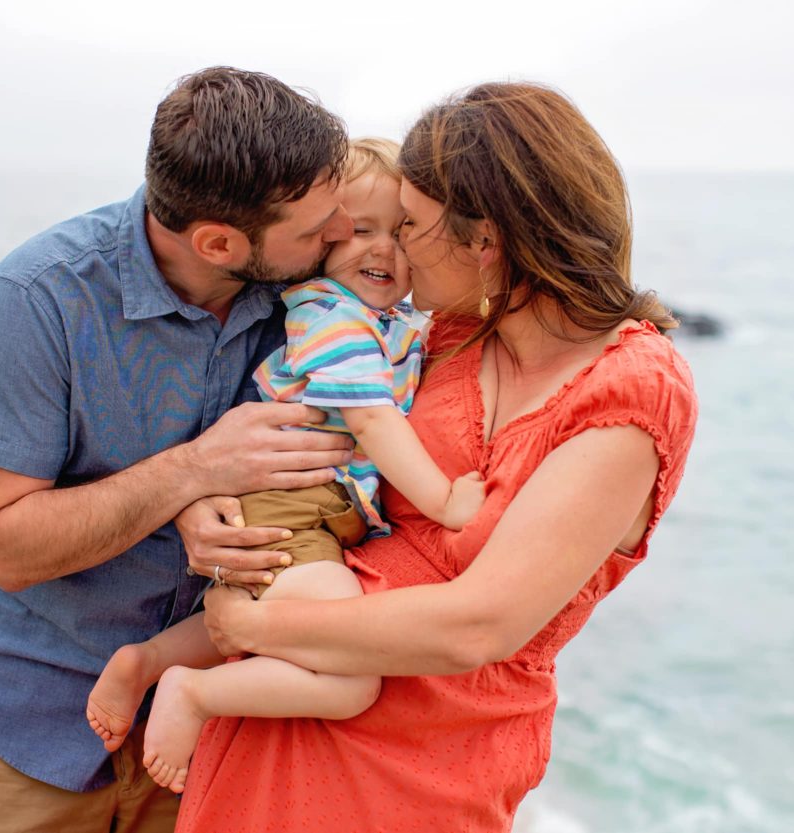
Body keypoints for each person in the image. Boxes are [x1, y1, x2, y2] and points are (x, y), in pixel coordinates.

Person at [171, 81, 700, 832]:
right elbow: (296, 426)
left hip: (420, 768)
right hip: (279, 711)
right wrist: (208, 506)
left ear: (483, 241)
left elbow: (479, 626)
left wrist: (248, 630)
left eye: (411, 223)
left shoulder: (628, 391)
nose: (395, 248)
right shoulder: (445, 336)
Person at [0, 67, 359, 833]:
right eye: (314, 226)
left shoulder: (316, 297)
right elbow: (9, 545)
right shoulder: (36, 298)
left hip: (216, 728)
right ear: (220, 242)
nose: (339, 236)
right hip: (30, 729)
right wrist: (193, 470)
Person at [85, 138, 488, 794]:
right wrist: (444, 503)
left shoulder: (389, 320)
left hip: (308, 509)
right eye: (359, 230)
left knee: (248, 609)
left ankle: (149, 659)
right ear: (322, 243)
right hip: (293, 502)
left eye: (401, 232)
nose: (382, 249)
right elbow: (370, 419)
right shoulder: (333, 318)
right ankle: (193, 692)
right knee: (352, 677)